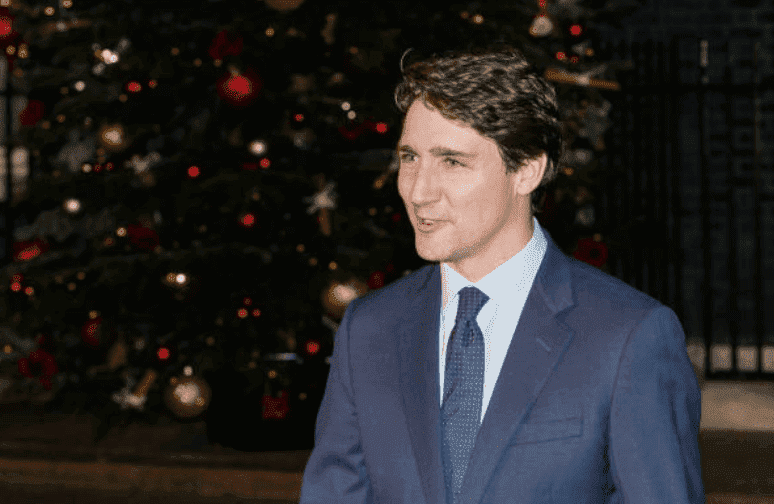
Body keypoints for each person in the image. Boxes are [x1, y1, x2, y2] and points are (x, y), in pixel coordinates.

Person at [299, 45, 703, 504]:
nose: (417, 190)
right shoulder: (368, 329)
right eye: (410, 157)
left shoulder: (630, 336)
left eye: (452, 161)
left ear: (527, 169)